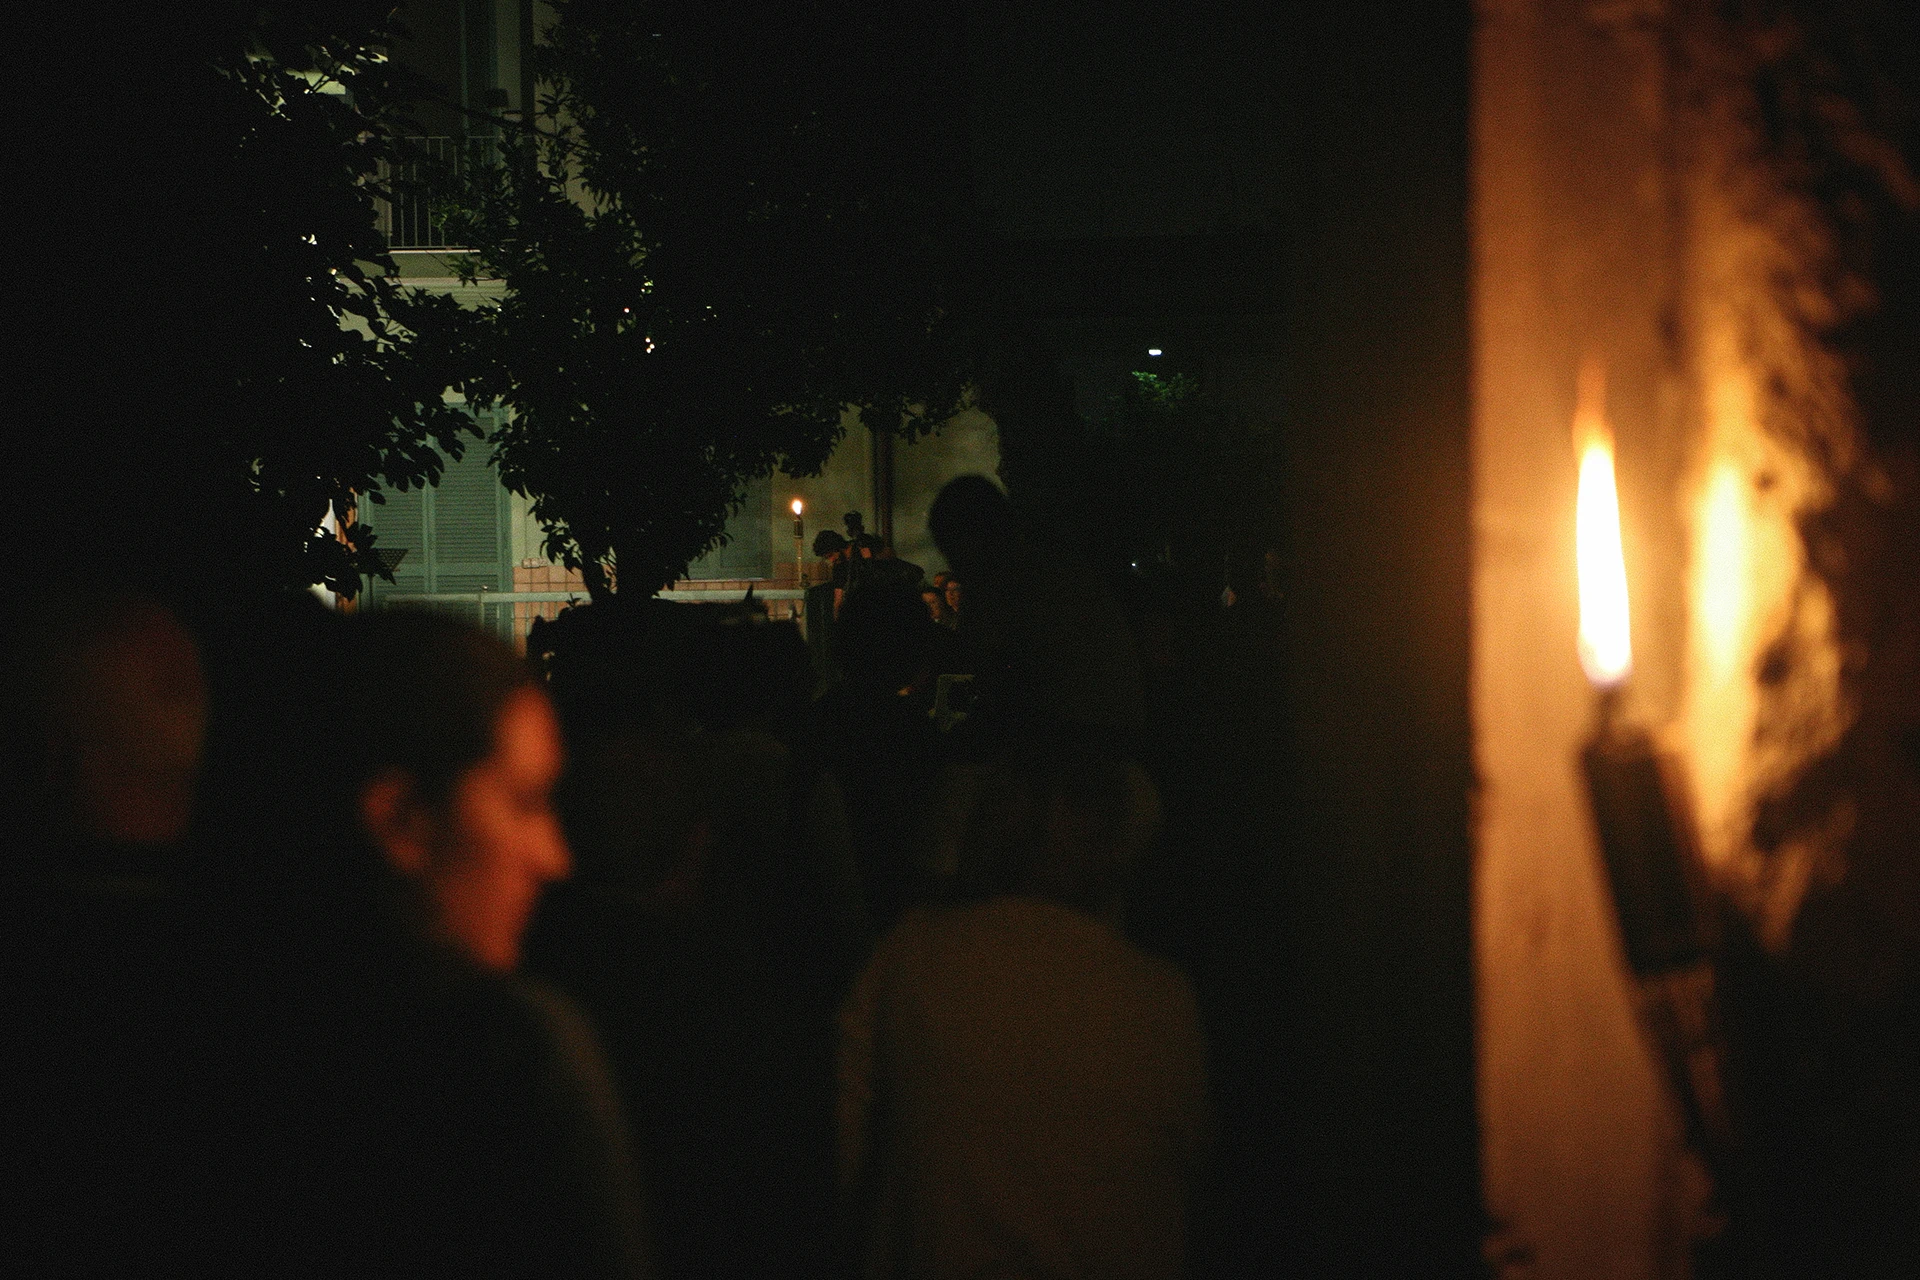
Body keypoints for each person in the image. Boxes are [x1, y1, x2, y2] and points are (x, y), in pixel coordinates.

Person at [168, 609, 648, 1278]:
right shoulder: (512, 1060)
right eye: (524, 801)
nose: (555, 856)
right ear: (401, 819)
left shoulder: (166, 1040)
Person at [837, 741, 1209, 1280]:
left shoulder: (911, 953)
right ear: (1113, 849)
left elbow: (842, 1149)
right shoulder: (1163, 998)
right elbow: (1188, 1174)